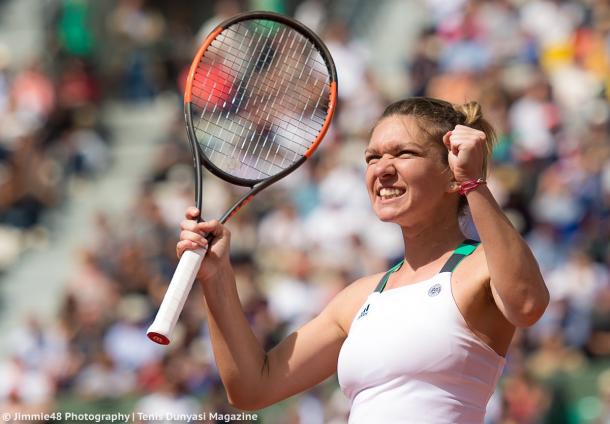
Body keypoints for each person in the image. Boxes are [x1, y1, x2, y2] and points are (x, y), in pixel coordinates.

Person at [176, 97, 550, 423]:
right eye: (373, 157)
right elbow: (251, 388)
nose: (382, 168)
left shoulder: (481, 266)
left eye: (404, 153)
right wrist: (217, 277)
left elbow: (528, 304)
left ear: (451, 174)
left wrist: (474, 183)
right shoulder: (358, 297)